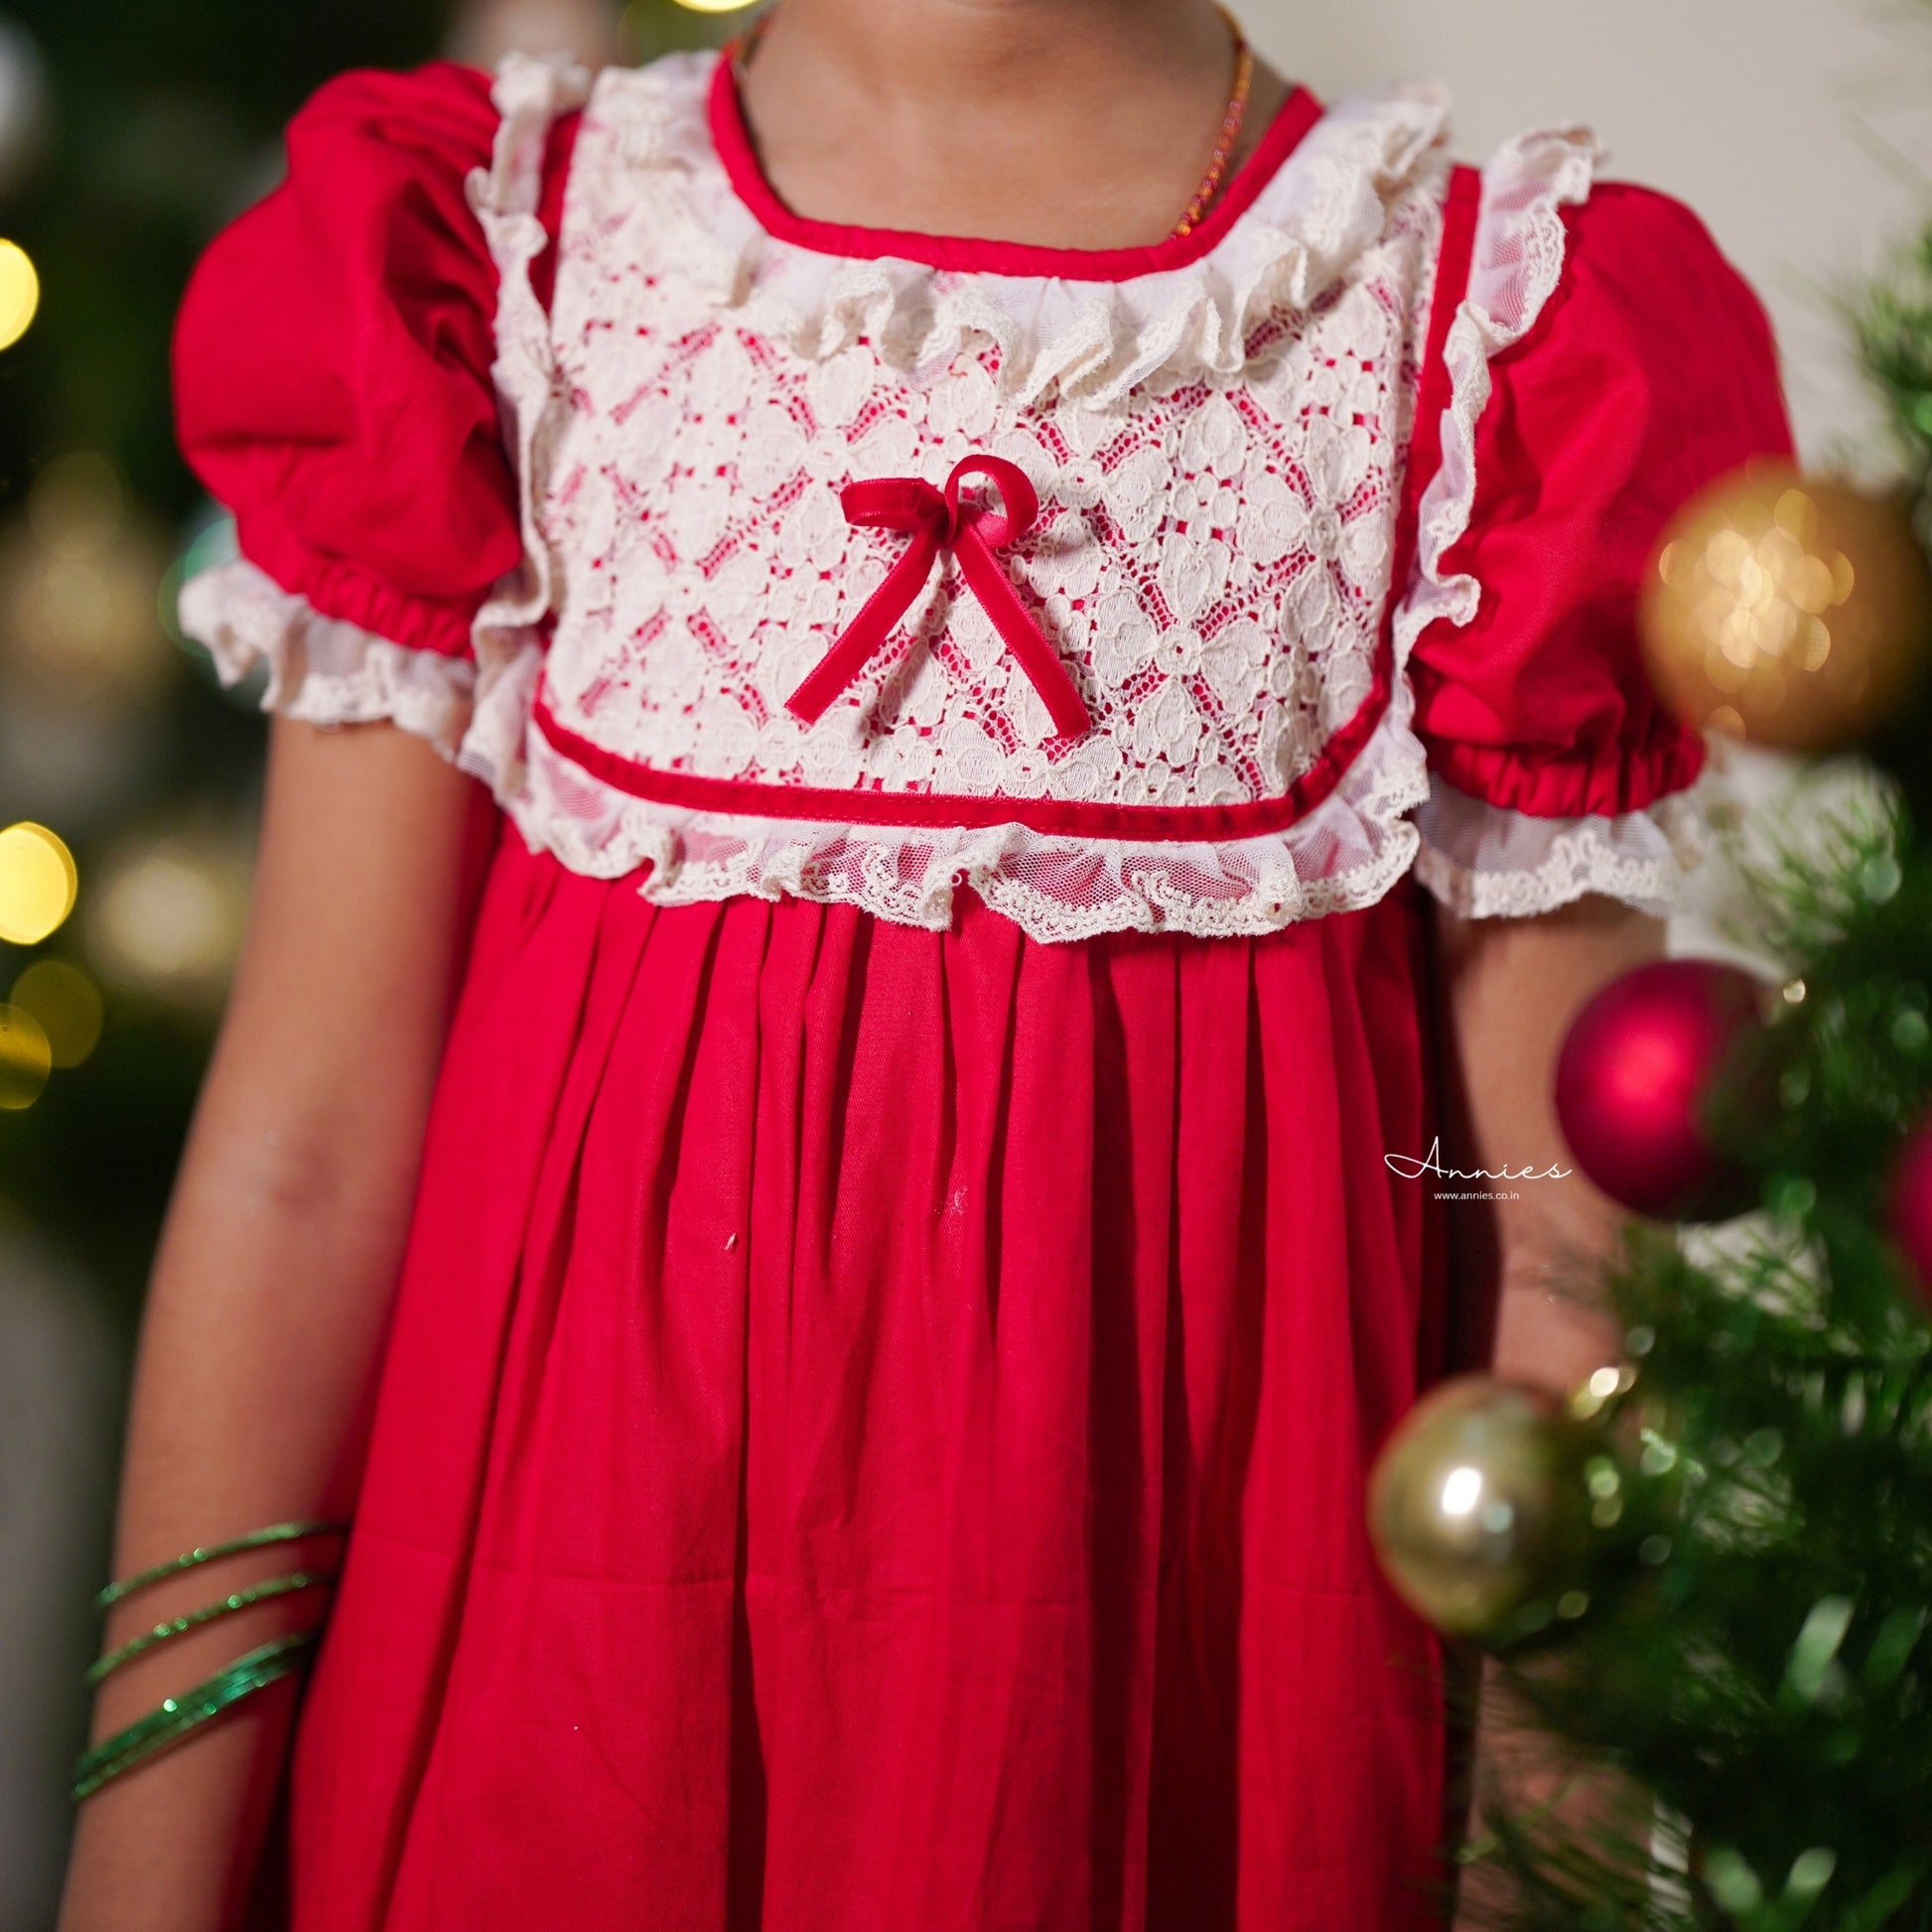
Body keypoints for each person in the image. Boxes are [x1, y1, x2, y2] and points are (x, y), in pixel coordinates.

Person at [57, 0, 1792, 1925]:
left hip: (1185, 1764)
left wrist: (1542, 1875)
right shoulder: (501, 259)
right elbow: (305, 1153)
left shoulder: (1480, 337)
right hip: (545, 1760)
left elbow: (1542, 1261)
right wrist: (143, 1866)